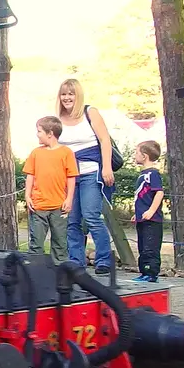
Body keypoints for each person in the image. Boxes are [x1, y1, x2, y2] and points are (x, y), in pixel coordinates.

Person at [56, 78, 116, 275]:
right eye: (64, 94)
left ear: (78, 95)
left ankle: (103, 259)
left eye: (71, 94)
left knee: (91, 216)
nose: (67, 98)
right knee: (71, 220)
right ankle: (76, 261)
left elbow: (104, 140)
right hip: (69, 176)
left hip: (91, 171)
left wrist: (106, 167)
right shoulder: (57, 118)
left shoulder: (90, 113)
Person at [23, 116, 77, 264]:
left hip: (59, 207)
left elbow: (71, 177)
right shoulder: (36, 153)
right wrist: (27, 196)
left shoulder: (66, 152)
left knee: (60, 243)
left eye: (39, 131)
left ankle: (60, 273)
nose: (37, 134)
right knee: (36, 243)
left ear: (50, 133)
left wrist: (69, 199)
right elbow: (30, 175)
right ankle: (35, 272)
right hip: (38, 206)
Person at [131, 141, 165, 283]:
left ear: (144, 156)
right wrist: (137, 213)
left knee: (150, 247)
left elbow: (159, 193)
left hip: (152, 220)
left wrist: (152, 210)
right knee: (142, 246)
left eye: (137, 152)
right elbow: (141, 197)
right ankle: (144, 271)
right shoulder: (143, 174)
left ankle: (151, 273)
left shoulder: (152, 174)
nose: (135, 155)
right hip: (142, 218)